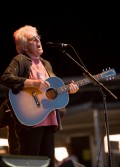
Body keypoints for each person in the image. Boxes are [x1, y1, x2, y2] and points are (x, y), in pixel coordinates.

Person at [0, 25, 79, 167]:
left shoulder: (46, 64)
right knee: (31, 163)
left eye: (38, 37)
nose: (38, 41)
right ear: (24, 46)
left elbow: (54, 90)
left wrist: (69, 89)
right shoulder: (21, 60)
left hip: (49, 120)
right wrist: (34, 83)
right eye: (33, 39)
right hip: (30, 120)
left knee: (47, 163)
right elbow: (6, 78)